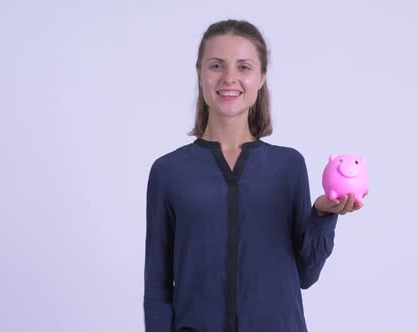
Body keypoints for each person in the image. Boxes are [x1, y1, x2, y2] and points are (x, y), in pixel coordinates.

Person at [144, 19, 367, 332]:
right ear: (200, 73)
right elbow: (157, 287)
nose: (229, 78)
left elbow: (305, 274)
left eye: (244, 67)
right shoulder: (169, 172)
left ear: (262, 77)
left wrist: (321, 215)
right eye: (216, 65)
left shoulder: (288, 166)